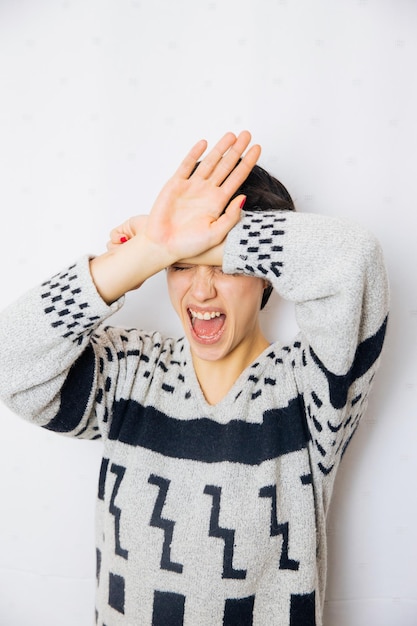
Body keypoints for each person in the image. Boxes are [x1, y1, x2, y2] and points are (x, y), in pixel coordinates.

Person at [0, 131, 389, 626]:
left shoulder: (310, 390)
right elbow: (10, 361)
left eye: (223, 264)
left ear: (266, 272)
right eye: (181, 265)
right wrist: (145, 252)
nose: (201, 288)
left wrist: (210, 238)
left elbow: (354, 260)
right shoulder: (129, 371)